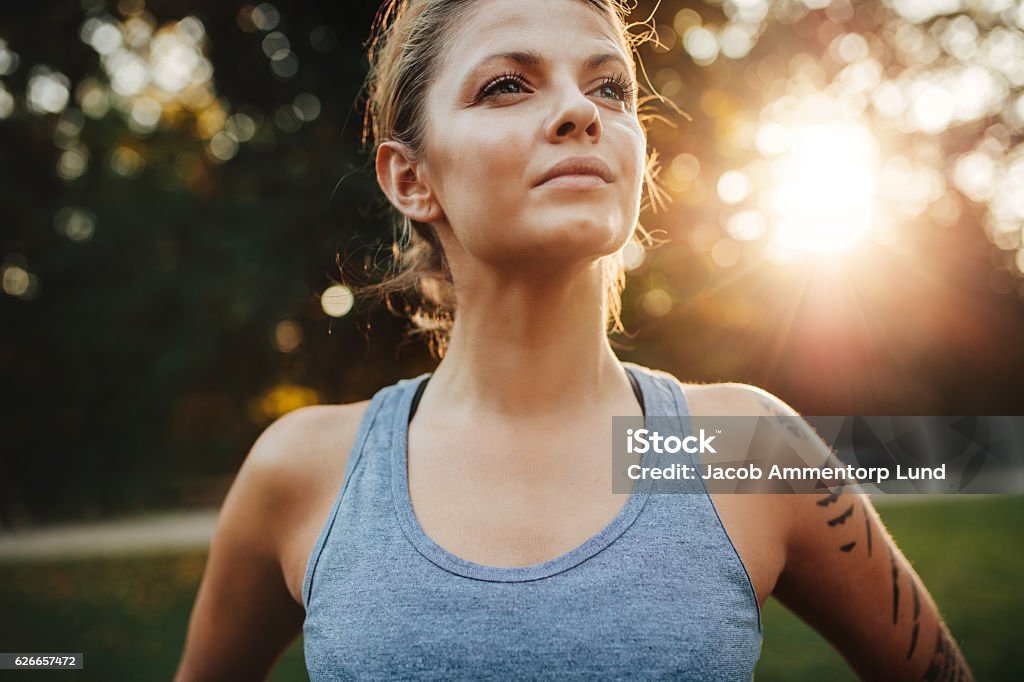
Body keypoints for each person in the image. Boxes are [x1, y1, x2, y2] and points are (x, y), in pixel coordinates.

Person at [176, 0, 974, 679]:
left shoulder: (742, 445)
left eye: (610, 87)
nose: (582, 111)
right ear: (411, 179)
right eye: (507, 85)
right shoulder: (304, 471)